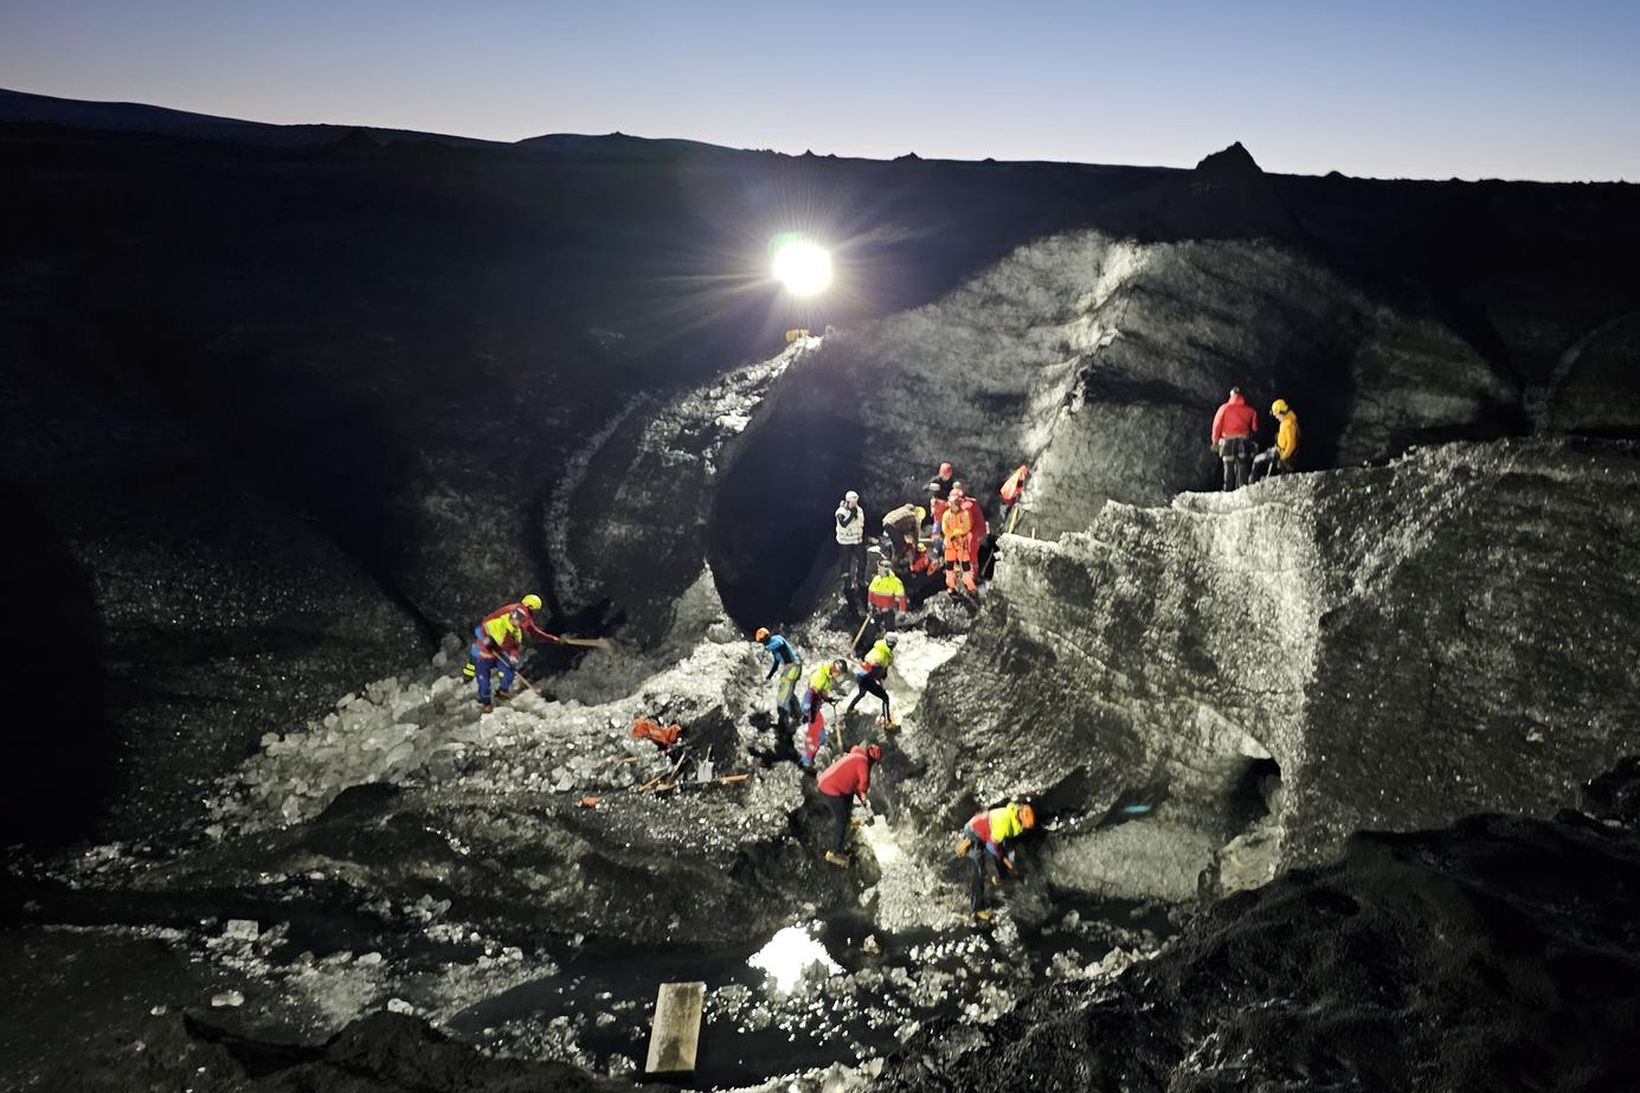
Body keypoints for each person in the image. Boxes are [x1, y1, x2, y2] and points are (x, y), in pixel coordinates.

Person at [466, 593, 559, 711]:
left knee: (510, 668)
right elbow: (479, 630)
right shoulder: (497, 622)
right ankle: (485, 703)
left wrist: (514, 656)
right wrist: (486, 640)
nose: (519, 621)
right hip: (483, 655)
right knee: (483, 679)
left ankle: (502, 691)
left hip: (497, 654)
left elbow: (517, 644)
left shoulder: (516, 631)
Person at [959, 801, 1036, 920]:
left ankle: (1003, 877)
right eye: (1024, 825)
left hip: (990, 831)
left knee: (1007, 854)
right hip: (975, 833)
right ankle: (977, 909)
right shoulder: (1004, 823)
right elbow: (991, 846)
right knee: (980, 870)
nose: (1023, 829)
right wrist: (1003, 859)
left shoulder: (1013, 816)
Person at [818, 743, 882, 866]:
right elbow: (863, 785)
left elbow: (854, 785)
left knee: (847, 806)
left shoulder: (855, 756)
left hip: (827, 782)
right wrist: (865, 801)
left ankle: (847, 830)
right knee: (841, 819)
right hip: (831, 788)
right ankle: (834, 852)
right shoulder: (863, 763)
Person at [799, 657, 851, 767]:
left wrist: (829, 699)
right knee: (816, 735)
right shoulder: (820, 675)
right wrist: (809, 710)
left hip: (815, 707)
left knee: (820, 737)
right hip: (811, 708)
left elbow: (821, 693)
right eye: (840, 674)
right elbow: (812, 692)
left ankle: (810, 759)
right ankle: (806, 760)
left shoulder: (827, 678)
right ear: (835, 670)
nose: (839, 676)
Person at [1210, 387, 1259, 491]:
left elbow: (1217, 425)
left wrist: (1215, 441)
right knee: (1242, 466)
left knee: (1228, 467)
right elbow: (1255, 428)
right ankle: (1243, 490)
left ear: (1231, 395)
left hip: (1227, 441)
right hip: (1243, 441)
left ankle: (1228, 490)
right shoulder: (1250, 410)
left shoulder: (1224, 408)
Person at [754, 627, 803, 727]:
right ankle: (798, 715)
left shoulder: (776, 640)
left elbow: (780, 642)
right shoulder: (775, 650)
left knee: (782, 697)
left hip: (793, 667)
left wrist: (765, 650)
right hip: (791, 668)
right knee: (789, 693)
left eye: (763, 642)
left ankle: (783, 724)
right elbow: (776, 664)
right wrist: (769, 677)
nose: (763, 644)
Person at [845, 634, 897, 721]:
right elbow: (878, 672)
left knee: (862, 693)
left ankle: (849, 709)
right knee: (885, 697)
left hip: (860, 675)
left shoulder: (877, 647)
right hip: (866, 677)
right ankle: (887, 721)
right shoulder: (884, 656)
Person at [940, 485, 978, 596]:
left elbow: (966, 527)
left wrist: (958, 533)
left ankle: (971, 587)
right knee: (949, 568)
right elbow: (945, 528)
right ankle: (951, 587)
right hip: (950, 545)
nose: (952, 504)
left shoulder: (965, 514)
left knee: (966, 568)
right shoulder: (946, 515)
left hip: (961, 545)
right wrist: (952, 535)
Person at [1251, 398, 1301, 481]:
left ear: (1281, 412)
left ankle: (1254, 483)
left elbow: (1291, 444)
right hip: (1280, 451)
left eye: (1277, 415)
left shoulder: (1288, 424)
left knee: (1258, 461)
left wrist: (1283, 457)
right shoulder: (1286, 421)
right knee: (1259, 460)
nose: (1276, 417)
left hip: (1284, 455)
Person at [835, 490, 868, 608]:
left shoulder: (859, 510)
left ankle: (860, 579)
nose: (855, 504)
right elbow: (843, 523)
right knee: (846, 563)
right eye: (853, 502)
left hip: (856, 540)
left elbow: (861, 525)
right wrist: (851, 514)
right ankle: (848, 585)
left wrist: (864, 538)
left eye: (856, 501)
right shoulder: (841, 512)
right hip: (845, 542)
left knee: (863, 559)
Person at [863, 561, 908, 640]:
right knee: (871, 628)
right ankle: (868, 645)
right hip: (876, 610)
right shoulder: (876, 579)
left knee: (889, 631)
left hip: (888, 611)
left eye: (879, 569)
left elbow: (901, 597)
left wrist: (902, 612)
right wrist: (870, 605)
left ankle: (889, 646)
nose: (878, 570)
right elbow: (871, 593)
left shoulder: (895, 582)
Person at [925, 462, 958, 528]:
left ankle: (949, 534)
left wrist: (957, 485)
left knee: (950, 518)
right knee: (938, 520)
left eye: (948, 475)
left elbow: (958, 486)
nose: (946, 477)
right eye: (944, 474)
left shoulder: (951, 481)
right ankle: (936, 535)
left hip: (948, 504)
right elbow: (924, 487)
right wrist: (930, 486)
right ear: (941, 473)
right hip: (938, 503)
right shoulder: (936, 479)